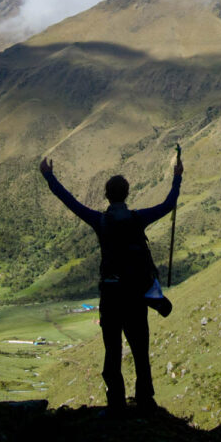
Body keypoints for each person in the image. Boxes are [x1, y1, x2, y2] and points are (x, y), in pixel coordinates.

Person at [40, 151, 181, 413]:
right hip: (137, 296)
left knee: (112, 350)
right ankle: (145, 399)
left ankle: (115, 399)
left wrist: (49, 176)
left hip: (111, 295)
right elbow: (169, 204)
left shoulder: (100, 221)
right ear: (127, 194)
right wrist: (177, 177)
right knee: (140, 348)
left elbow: (69, 201)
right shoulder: (139, 219)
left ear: (107, 195)